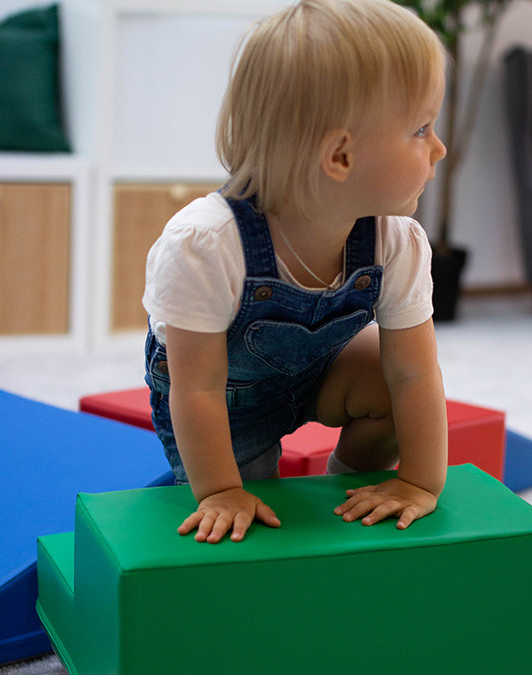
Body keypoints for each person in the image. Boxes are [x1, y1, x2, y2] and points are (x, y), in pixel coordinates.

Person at [143, 0, 449, 544]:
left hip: (316, 371)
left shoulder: (396, 241)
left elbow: (415, 375)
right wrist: (219, 491)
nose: (440, 148)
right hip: (224, 402)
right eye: (421, 129)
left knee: (388, 375)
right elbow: (197, 390)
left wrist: (419, 483)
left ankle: (349, 486)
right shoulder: (206, 244)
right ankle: (234, 481)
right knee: (251, 525)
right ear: (340, 157)